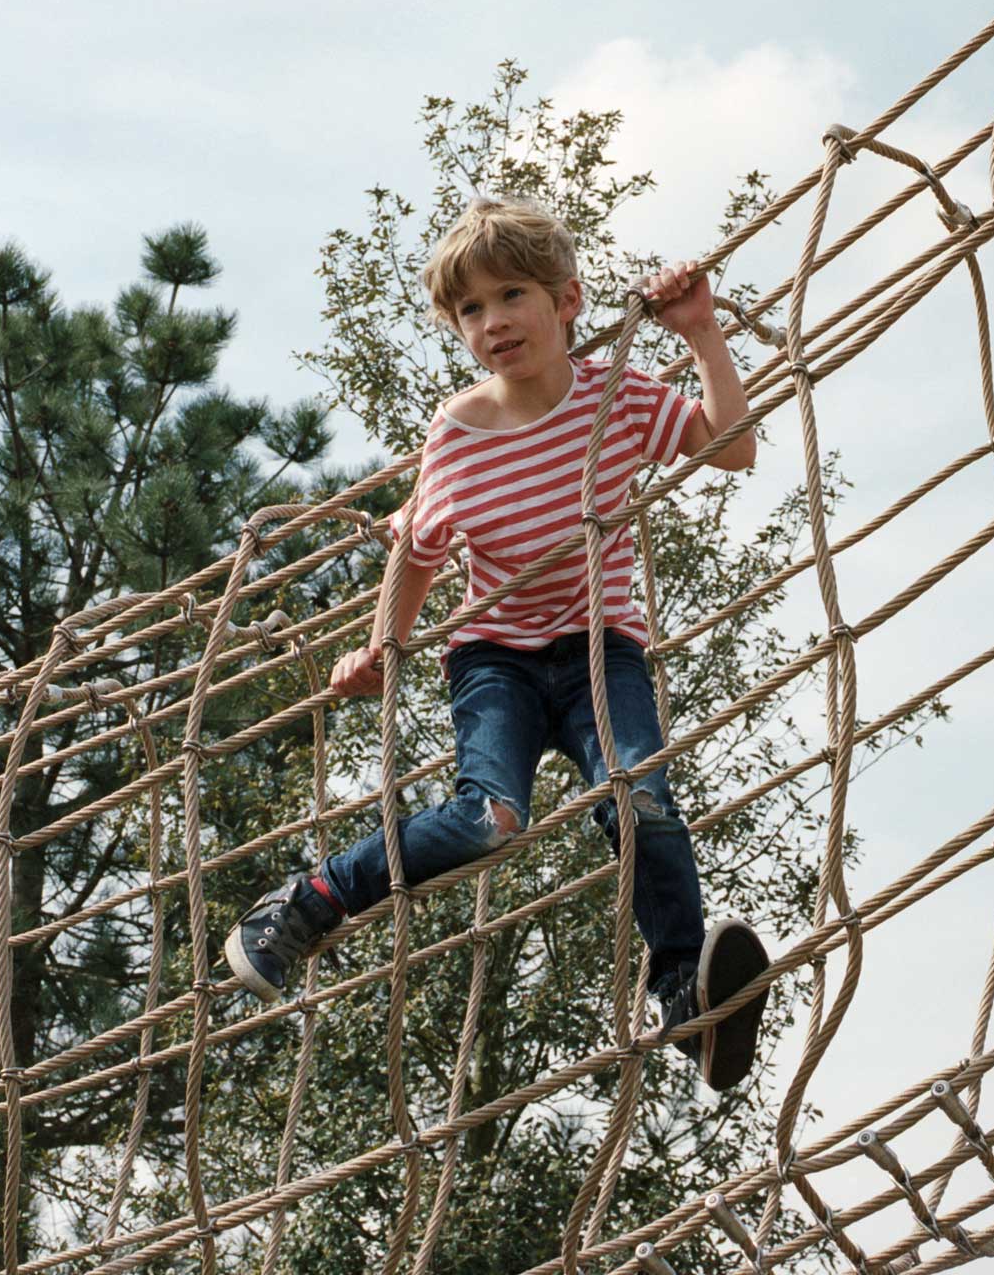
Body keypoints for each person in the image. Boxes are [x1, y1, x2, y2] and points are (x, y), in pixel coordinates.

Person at [222, 196, 772, 1092]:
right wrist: (382, 652)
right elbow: (417, 550)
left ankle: (682, 986)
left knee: (639, 796)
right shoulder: (459, 433)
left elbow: (733, 450)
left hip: (603, 648)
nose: (492, 322)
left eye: (510, 294)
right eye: (469, 310)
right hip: (497, 659)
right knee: (488, 821)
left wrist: (701, 332)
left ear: (568, 301)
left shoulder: (617, 400)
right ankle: (316, 896)